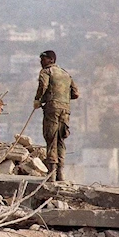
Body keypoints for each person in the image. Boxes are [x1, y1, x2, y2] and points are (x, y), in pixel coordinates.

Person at [33, 50, 80, 181]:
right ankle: (60, 173)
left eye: (43, 59)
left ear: (50, 59)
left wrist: (38, 99)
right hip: (65, 110)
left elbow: (43, 85)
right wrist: (63, 97)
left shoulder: (46, 72)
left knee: (51, 138)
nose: (41, 62)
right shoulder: (66, 73)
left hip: (52, 109)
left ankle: (51, 174)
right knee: (60, 139)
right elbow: (75, 93)